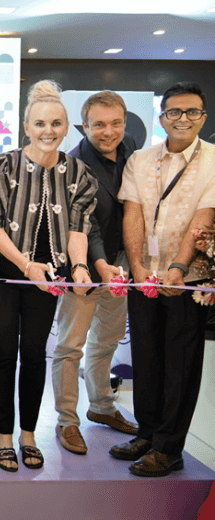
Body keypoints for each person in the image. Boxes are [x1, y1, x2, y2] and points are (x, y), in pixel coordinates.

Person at [0, 80, 97, 472]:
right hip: (3, 269)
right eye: (40, 123)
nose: (49, 131)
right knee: (6, 351)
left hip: (49, 272)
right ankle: (5, 438)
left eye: (57, 123)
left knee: (33, 353)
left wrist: (78, 266)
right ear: (26, 127)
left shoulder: (79, 173)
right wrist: (25, 265)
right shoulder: (0, 167)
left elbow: (78, 228)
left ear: (67, 127)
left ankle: (29, 434)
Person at [112, 82, 215, 477]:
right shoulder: (141, 158)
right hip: (145, 278)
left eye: (192, 112)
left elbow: (202, 221)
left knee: (180, 365)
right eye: (174, 112)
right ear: (162, 117)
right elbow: (133, 214)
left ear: (203, 117)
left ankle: (169, 449)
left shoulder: (211, 160)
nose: (183, 119)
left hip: (188, 280)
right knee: (147, 357)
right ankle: (149, 433)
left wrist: (178, 269)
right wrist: (138, 267)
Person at [52, 91, 138, 455]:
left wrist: (126, 264)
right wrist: (99, 264)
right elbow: (84, 225)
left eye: (115, 123)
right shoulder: (72, 165)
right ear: (84, 126)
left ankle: (102, 407)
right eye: (99, 124)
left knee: (107, 340)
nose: (108, 132)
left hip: (121, 264)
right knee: (71, 347)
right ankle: (67, 421)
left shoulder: (131, 148)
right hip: (83, 267)